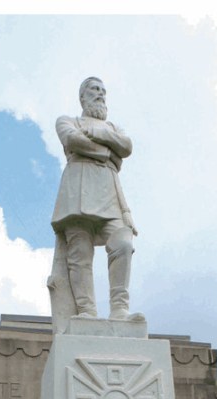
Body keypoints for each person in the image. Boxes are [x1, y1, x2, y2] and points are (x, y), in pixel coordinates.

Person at [48, 77, 143, 327]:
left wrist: (100, 133)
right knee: (79, 254)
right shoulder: (67, 120)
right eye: (94, 89)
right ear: (83, 96)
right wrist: (109, 154)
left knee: (123, 245)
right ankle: (86, 311)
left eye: (103, 90)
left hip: (110, 193)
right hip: (77, 190)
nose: (100, 94)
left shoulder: (112, 127)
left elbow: (127, 146)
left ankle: (120, 309)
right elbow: (72, 140)